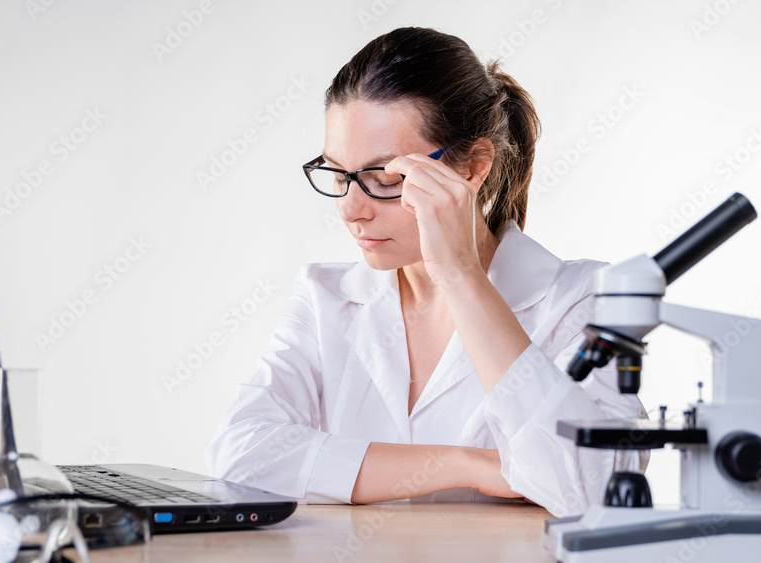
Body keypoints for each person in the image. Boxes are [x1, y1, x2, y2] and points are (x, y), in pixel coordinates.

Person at [204, 27, 647, 517]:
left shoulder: (581, 299)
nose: (351, 210)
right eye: (338, 173)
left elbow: (593, 487)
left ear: (474, 167)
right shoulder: (324, 296)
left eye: (385, 179)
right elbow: (240, 456)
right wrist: (467, 465)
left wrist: (460, 273)